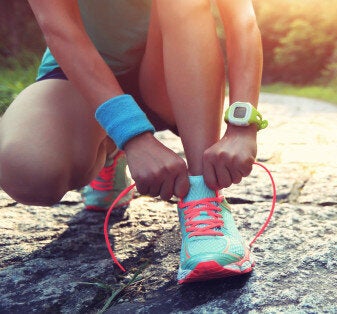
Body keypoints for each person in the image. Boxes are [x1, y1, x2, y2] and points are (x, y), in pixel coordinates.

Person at [0, 0, 265, 284]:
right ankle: (110, 148)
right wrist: (132, 136)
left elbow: (241, 18)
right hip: (83, 78)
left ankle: (203, 195)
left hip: (172, 74)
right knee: (28, 170)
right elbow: (58, 27)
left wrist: (242, 125)